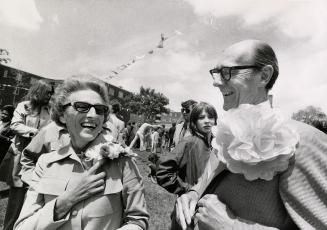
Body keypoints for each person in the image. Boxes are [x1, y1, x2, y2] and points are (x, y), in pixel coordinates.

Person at [175, 40, 327, 230]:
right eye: (215, 73)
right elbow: (207, 182)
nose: (216, 82)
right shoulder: (225, 135)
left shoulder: (303, 141)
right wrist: (192, 195)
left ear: (264, 76)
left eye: (227, 71)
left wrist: (232, 227)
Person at [14, 76, 149, 230]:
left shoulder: (123, 161)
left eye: (100, 110)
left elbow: (138, 220)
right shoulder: (45, 163)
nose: (92, 115)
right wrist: (67, 200)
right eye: (81, 106)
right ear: (62, 115)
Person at [0, 80, 53, 230]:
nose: (50, 95)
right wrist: (36, 133)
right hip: (19, 158)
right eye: (47, 92)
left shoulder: (50, 111)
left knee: (33, 200)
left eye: (51, 93)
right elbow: (15, 125)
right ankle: (8, 227)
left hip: (39, 161)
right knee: (15, 199)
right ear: (38, 91)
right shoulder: (23, 106)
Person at [156, 102, 217, 196]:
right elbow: (163, 172)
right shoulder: (190, 142)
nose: (207, 121)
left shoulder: (214, 144)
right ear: (194, 121)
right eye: (201, 117)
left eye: (210, 117)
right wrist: (188, 189)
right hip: (191, 203)